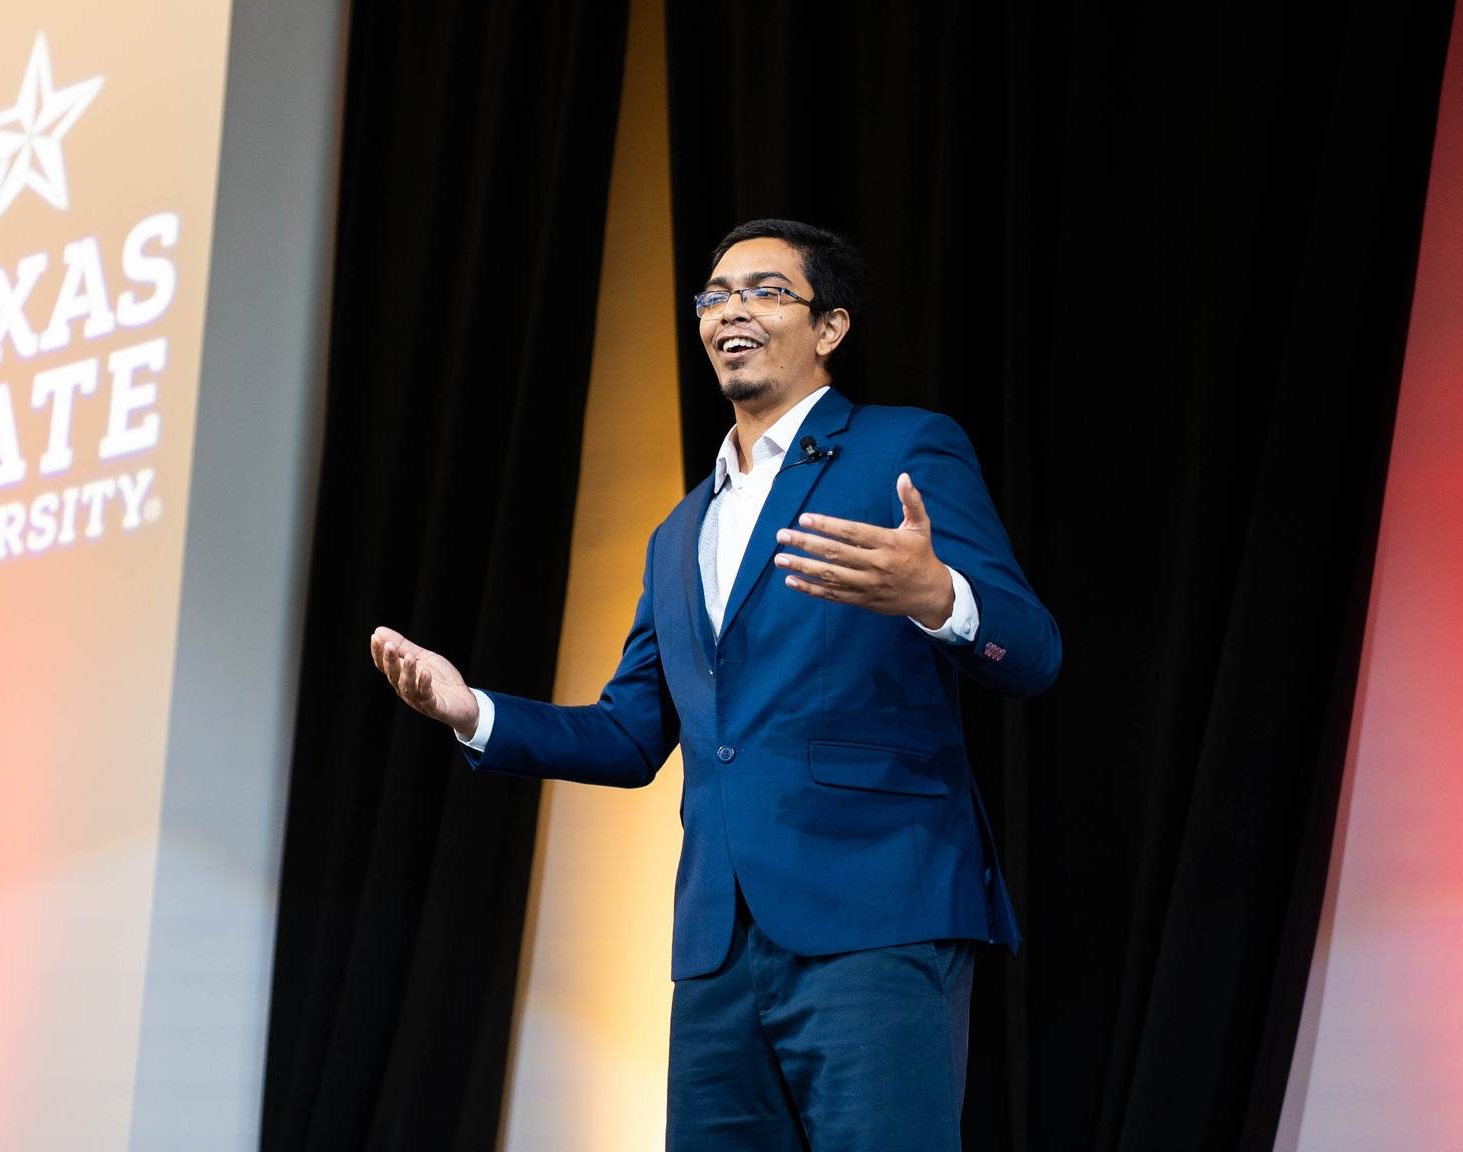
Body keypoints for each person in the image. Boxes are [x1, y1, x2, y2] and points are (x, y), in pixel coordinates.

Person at [369, 218, 1058, 1151]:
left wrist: (939, 595)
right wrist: (474, 712)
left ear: (830, 328)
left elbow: (1036, 650)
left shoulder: (904, 448)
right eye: (715, 296)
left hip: (877, 912)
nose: (733, 310)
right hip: (718, 947)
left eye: (768, 291)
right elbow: (629, 734)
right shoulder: (679, 530)